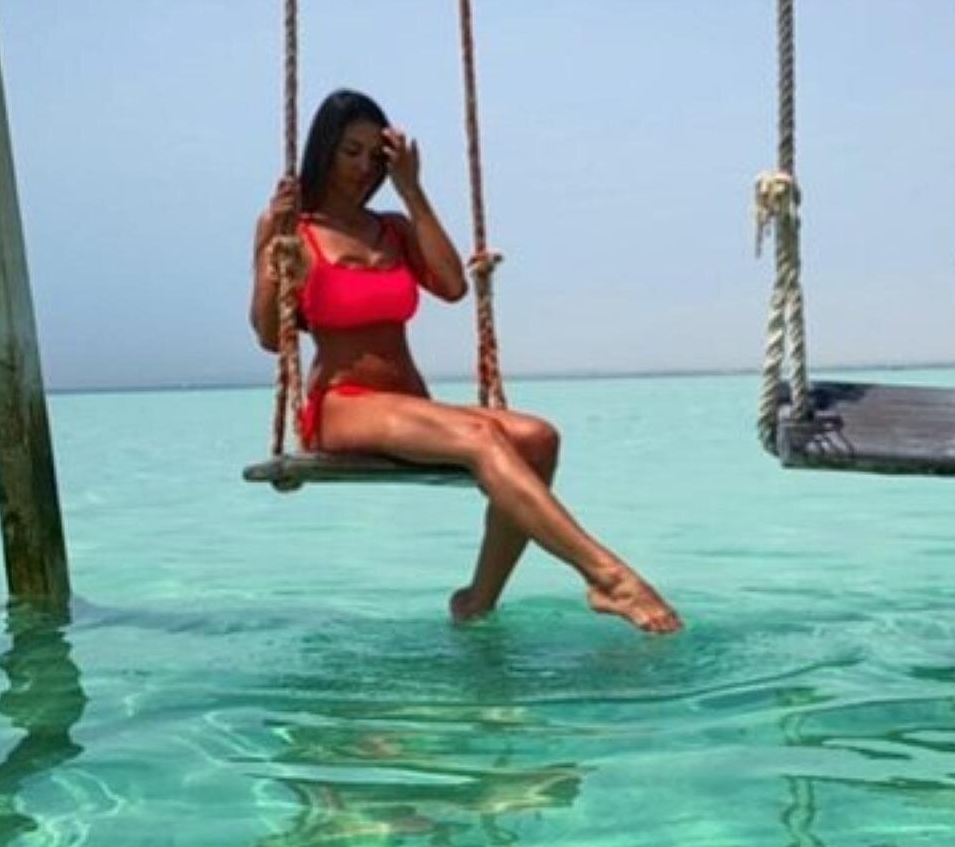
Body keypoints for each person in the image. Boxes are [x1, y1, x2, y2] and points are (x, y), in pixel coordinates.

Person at [251, 90, 681, 635]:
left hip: (406, 403)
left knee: (539, 438)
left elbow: (452, 285)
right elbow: (271, 336)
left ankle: (477, 600)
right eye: (349, 152)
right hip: (342, 406)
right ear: (324, 152)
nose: (362, 167)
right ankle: (609, 578)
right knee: (481, 438)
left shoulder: (393, 229)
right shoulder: (295, 232)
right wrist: (271, 250)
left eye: (374, 156)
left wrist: (412, 190)